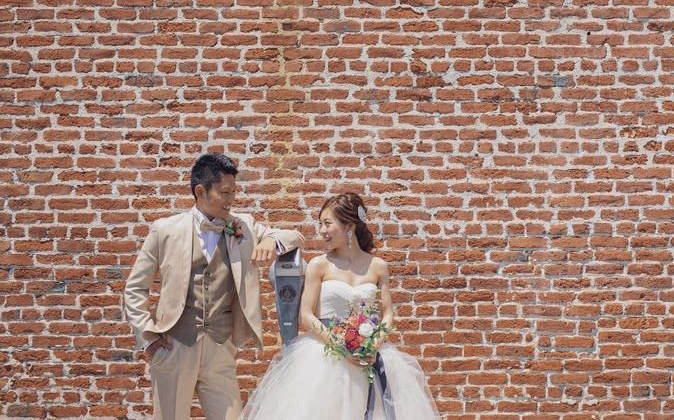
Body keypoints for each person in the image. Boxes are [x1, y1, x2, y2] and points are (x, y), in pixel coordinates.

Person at [123, 152, 304, 420]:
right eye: (225, 192)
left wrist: (269, 241)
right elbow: (135, 288)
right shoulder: (165, 230)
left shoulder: (243, 225)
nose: (232, 199)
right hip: (174, 346)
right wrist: (147, 339)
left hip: (220, 349)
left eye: (234, 192)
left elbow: (295, 236)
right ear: (201, 191)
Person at [241, 192, 439, 420]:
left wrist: (373, 344)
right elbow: (306, 315)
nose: (322, 230)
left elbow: (387, 313)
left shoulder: (378, 266)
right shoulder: (319, 265)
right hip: (325, 354)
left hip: (368, 353)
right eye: (320, 224)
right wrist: (340, 345)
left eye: (327, 223)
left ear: (349, 226)